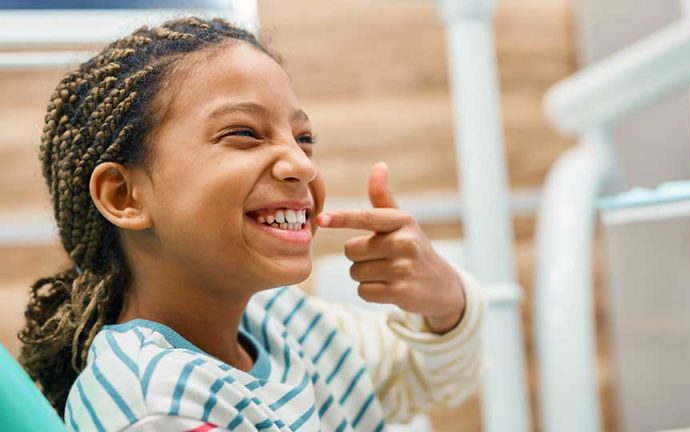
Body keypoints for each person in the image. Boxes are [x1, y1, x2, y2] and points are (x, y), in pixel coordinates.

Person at [17, 17, 485, 431]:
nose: (301, 164)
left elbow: (425, 378)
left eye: (304, 138)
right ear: (124, 196)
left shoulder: (283, 320)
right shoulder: (154, 403)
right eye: (244, 133)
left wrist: (443, 301)